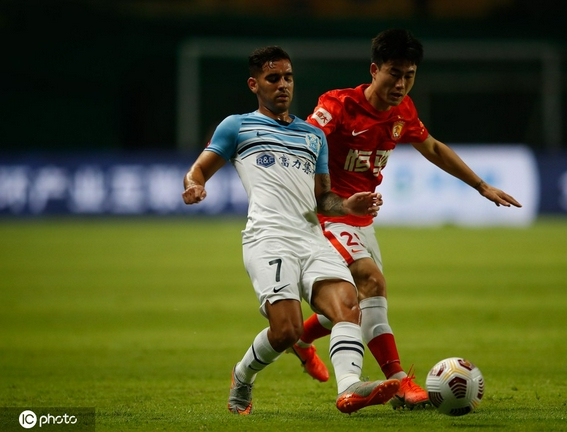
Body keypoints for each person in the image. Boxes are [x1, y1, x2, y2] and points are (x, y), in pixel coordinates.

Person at [287, 29, 522, 409]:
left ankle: (298, 338)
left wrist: (481, 186)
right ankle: (398, 381)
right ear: (374, 70)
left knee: (353, 303)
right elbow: (304, 144)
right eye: (394, 74)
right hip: (328, 214)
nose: (401, 84)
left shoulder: (403, 111)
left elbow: (432, 148)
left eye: (409, 75)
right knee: (372, 282)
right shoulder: (338, 105)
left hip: (362, 221)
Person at [182, 45, 401, 415]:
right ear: (254, 84)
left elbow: (323, 198)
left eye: (288, 77)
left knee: (348, 304)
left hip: (313, 238)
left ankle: (349, 386)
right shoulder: (237, 126)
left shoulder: (312, 136)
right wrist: (194, 185)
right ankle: (242, 375)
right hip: (269, 239)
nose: (282, 84)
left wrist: (347, 206)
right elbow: (199, 168)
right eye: (273, 78)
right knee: (287, 332)